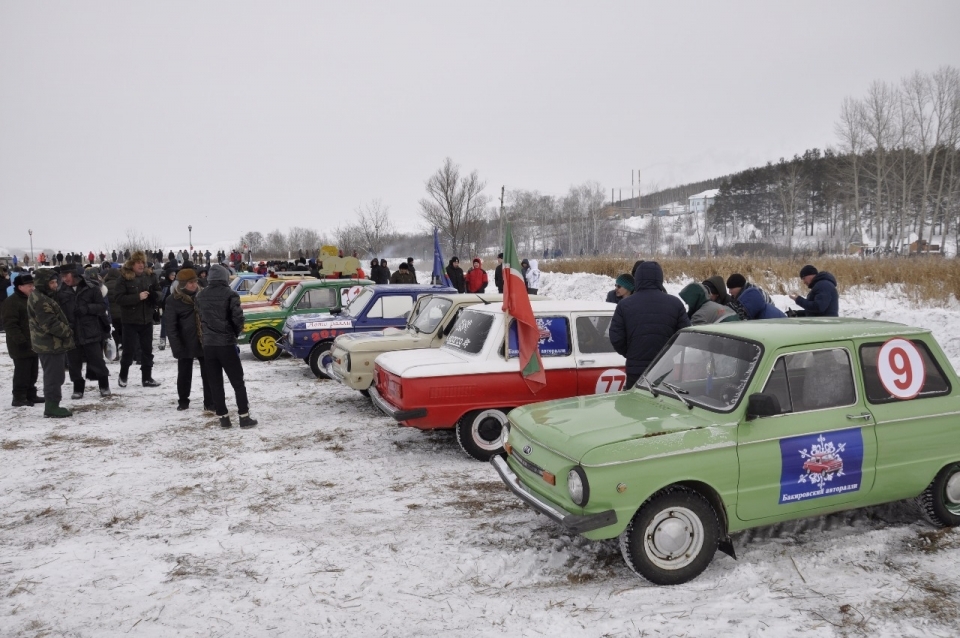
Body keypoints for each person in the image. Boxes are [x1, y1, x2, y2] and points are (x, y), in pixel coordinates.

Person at [609, 261, 690, 390]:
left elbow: (616, 337)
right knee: (663, 401)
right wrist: (669, 354)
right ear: (660, 279)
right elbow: (685, 336)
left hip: (635, 370)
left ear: (637, 279)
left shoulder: (625, 305)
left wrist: (631, 353)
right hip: (664, 370)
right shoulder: (675, 304)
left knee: (635, 401)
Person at [197, 264, 257, 428]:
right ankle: (244, 417)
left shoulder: (201, 296)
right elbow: (237, 318)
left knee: (215, 383)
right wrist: (234, 334)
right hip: (226, 344)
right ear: (224, 277)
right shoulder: (230, 294)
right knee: (237, 382)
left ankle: (223, 418)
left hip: (209, 345)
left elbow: (201, 318)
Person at [57, 265, 112, 399]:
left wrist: (87, 308)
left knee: (97, 361)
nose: (64, 279)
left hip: (90, 331)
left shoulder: (91, 288)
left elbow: (102, 307)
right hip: (71, 333)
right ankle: (78, 388)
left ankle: (104, 385)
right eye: (62, 276)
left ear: (74, 274)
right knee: (74, 363)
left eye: (66, 276)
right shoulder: (60, 292)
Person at [27, 269, 75, 417]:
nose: (55, 285)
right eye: (52, 282)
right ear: (43, 283)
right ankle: (51, 407)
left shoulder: (42, 296)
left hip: (50, 344)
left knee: (56, 376)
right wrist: (69, 331)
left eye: (55, 282)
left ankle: (53, 404)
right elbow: (50, 324)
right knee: (54, 377)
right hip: (49, 345)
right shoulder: (41, 300)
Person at [165, 268, 212, 412]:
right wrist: (176, 347)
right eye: (190, 283)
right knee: (184, 374)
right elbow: (171, 326)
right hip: (185, 342)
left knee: (209, 373)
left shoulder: (204, 295)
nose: (194, 285)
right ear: (182, 284)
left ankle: (209, 402)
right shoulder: (173, 300)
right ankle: (183, 400)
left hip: (204, 340)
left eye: (195, 281)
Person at [113, 250, 161, 388]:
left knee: (147, 350)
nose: (141, 265)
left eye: (143, 262)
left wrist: (155, 296)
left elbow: (159, 290)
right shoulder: (123, 278)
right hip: (130, 321)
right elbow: (118, 298)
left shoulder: (150, 276)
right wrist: (137, 297)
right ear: (132, 264)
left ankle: (147, 377)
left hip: (147, 319)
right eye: (138, 262)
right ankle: (123, 375)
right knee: (128, 350)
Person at [2, 274, 43, 407]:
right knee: (22, 372)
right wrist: (21, 340)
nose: (32, 288)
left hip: (34, 341)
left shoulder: (31, 299)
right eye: (29, 285)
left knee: (33, 371)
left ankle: (31, 394)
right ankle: (19, 397)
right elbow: (10, 325)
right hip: (20, 344)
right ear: (20, 287)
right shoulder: (11, 302)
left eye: (33, 285)